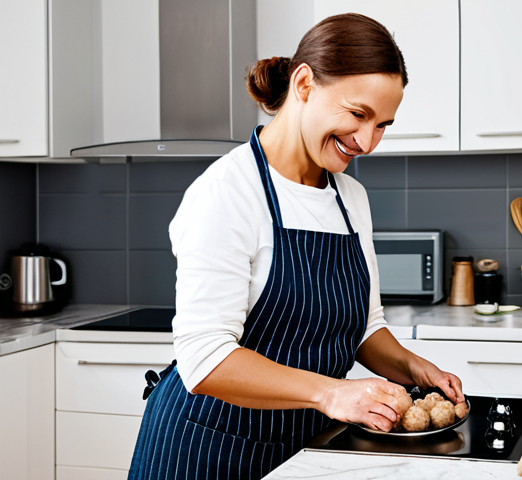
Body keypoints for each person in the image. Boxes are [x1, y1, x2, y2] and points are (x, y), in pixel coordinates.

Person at [128, 13, 464, 480]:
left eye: (383, 124)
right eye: (358, 114)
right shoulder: (227, 192)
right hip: (205, 451)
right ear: (304, 84)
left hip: (303, 447)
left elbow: (364, 326)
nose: (367, 142)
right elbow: (204, 359)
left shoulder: (350, 199)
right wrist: (331, 393)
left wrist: (414, 367)